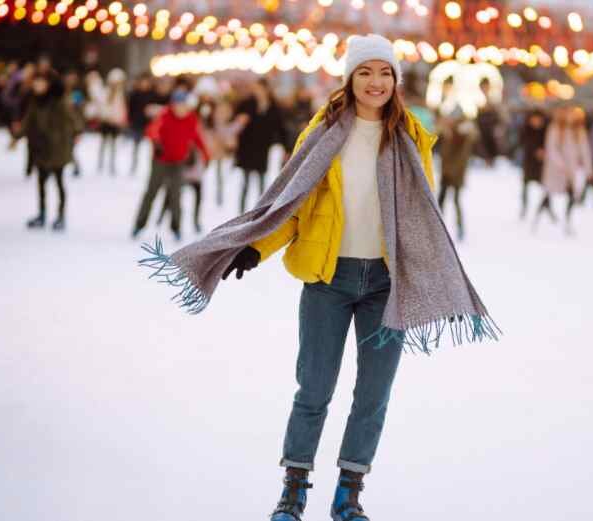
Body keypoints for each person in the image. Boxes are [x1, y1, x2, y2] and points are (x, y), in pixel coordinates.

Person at [138, 34, 498, 521]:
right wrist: (255, 247)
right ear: (350, 78)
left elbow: (421, 214)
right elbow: (292, 202)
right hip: (329, 280)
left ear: (396, 81)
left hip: (386, 287)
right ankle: (294, 489)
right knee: (314, 390)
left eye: (385, 72)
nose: (376, 82)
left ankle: (349, 492)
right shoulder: (324, 131)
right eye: (366, 72)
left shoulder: (410, 137)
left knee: (373, 396)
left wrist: (430, 272)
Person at [132, 90, 210, 241]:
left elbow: (197, 137)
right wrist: (157, 143)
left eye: (183, 105)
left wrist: (206, 155)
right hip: (160, 160)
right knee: (152, 192)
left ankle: (176, 227)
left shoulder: (191, 119)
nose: (180, 109)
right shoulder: (164, 115)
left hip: (178, 162)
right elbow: (151, 131)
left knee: (176, 195)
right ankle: (139, 224)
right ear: (173, 105)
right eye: (177, 105)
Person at [17, 72, 81, 231]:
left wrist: (74, 134)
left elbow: (73, 121)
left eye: (40, 83)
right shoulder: (35, 102)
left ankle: (60, 216)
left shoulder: (59, 102)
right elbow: (28, 122)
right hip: (41, 148)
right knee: (41, 184)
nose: (37, 86)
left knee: (59, 183)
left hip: (57, 149)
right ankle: (42, 214)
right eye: (36, 83)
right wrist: (16, 135)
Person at [234, 77, 288, 213]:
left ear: (265, 89)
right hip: (247, 148)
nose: (257, 91)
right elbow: (236, 122)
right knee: (245, 183)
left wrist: (286, 147)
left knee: (262, 183)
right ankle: (241, 213)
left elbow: (280, 127)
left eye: (259, 88)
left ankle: (260, 213)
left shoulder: (273, 106)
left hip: (262, 149)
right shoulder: (247, 104)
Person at [535, 105, 593, 235]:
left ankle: (567, 221)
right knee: (548, 194)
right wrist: (561, 165)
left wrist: (588, 169)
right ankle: (537, 219)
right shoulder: (555, 128)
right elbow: (552, 149)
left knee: (571, 195)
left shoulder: (579, 130)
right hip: (556, 170)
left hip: (571, 169)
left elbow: (585, 150)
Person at [437, 110, 476, 240]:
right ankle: (437, 228)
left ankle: (459, 229)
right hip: (446, 172)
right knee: (441, 201)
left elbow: (461, 158)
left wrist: (451, 171)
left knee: (455, 201)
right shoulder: (450, 132)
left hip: (455, 174)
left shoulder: (462, 136)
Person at [519, 108, 548, 218]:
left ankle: (546, 206)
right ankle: (524, 207)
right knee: (525, 186)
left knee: (545, 186)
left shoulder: (545, 130)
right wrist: (535, 150)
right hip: (529, 162)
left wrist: (544, 152)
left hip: (542, 163)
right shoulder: (526, 129)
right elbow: (523, 142)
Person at [127, 73, 156, 175]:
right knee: (136, 147)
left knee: (150, 148)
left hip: (149, 125)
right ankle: (134, 167)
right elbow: (130, 109)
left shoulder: (152, 94)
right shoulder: (134, 94)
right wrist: (130, 121)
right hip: (137, 125)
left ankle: (149, 168)